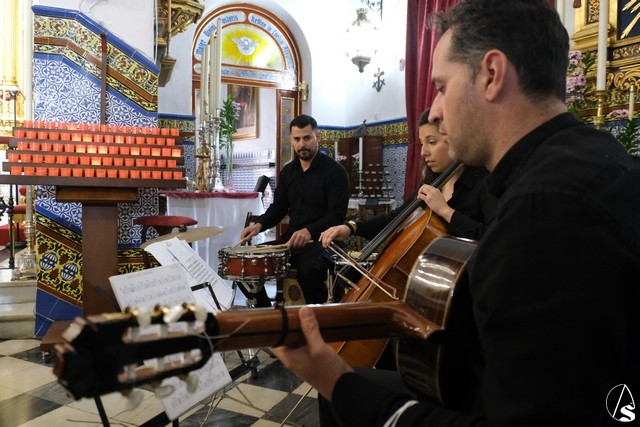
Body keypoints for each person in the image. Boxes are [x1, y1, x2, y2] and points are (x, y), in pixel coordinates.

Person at [272, 1, 640, 426]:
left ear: (492, 74)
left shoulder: (541, 211)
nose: (436, 111)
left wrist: (338, 383)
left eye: (442, 87)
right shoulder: (596, 157)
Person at [320, 108, 495, 249]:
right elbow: (397, 218)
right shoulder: (432, 182)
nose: (423, 152)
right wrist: (351, 228)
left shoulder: (485, 182)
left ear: (456, 139)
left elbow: (494, 239)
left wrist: (445, 211)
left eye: (431, 142)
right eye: (422, 143)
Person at [240, 114, 350, 306]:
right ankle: (267, 313)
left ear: (318, 137)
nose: (302, 144)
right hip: (291, 242)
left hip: (323, 243)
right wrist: (259, 225)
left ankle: (319, 317)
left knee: (309, 272)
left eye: (307, 138)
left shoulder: (335, 172)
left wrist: (309, 231)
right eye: (297, 139)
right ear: (291, 140)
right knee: (244, 264)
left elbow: (337, 215)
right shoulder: (288, 172)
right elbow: (279, 207)